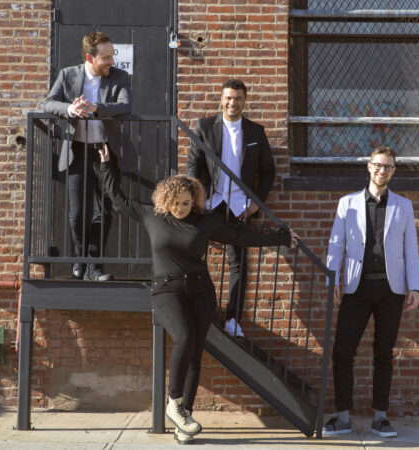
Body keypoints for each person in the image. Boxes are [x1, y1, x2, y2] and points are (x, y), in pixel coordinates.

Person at [98, 145, 298, 444]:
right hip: (166, 289)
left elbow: (240, 237)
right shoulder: (152, 216)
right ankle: (174, 403)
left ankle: (184, 421)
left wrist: (279, 238)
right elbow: (119, 198)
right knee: (185, 338)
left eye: (187, 203)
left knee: (195, 356)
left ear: (195, 201)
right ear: (166, 200)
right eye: (177, 203)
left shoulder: (203, 222)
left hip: (201, 290)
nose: (182, 208)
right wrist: (106, 166)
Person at [324, 146, 419, 438]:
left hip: (391, 290)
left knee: (384, 353)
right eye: (378, 165)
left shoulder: (403, 206)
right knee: (342, 352)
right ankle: (342, 416)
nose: (382, 171)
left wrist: (414, 286)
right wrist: (333, 279)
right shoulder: (348, 203)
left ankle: (380, 417)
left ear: (394, 171)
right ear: (369, 167)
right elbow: (336, 244)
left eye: (388, 167)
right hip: (356, 286)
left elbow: (410, 249)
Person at [186, 79, 275, 338]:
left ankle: (233, 318)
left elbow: (268, 172)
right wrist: (198, 200)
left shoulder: (255, 132)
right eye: (228, 98)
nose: (232, 103)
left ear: (244, 101)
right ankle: (196, 308)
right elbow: (194, 168)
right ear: (221, 99)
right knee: (193, 256)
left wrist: (254, 205)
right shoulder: (204, 127)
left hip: (240, 208)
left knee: (239, 264)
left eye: (237, 98)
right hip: (210, 205)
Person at [42, 31, 132, 281]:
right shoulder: (68, 75)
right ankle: (81, 259)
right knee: (78, 213)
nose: (111, 61)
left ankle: (93, 267)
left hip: (105, 151)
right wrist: (70, 109)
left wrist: (96, 108)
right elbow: (48, 104)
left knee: (104, 211)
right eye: (105, 57)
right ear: (89, 57)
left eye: (112, 55)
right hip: (77, 150)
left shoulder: (120, 77)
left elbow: (126, 105)